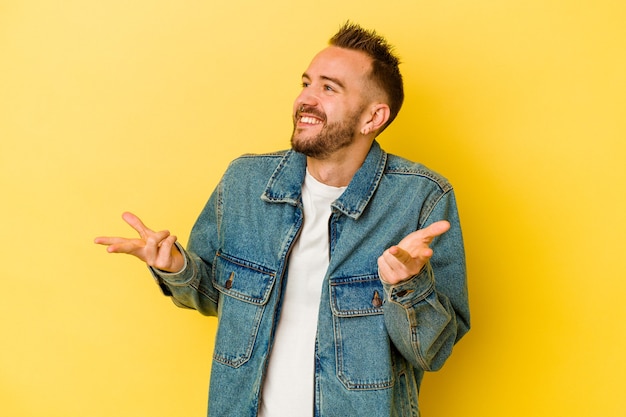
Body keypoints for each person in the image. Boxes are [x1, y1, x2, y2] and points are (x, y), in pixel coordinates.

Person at [95, 22, 470, 417]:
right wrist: (176, 268)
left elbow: (433, 351)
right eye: (306, 83)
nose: (305, 98)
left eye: (329, 88)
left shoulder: (420, 199)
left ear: (372, 118)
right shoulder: (244, 183)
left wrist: (408, 286)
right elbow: (215, 298)